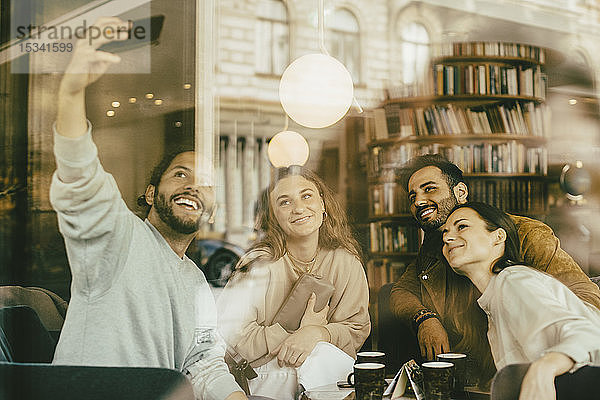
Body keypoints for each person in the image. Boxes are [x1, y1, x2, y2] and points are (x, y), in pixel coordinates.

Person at [50, 18, 246, 400]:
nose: (193, 185)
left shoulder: (195, 281)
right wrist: (70, 94)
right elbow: (81, 178)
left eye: (205, 182)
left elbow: (203, 361)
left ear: (213, 208)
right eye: (180, 174)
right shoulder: (117, 237)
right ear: (151, 192)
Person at [389, 154, 600, 386]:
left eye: (429, 189)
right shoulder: (435, 246)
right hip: (487, 378)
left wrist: (546, 368)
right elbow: (400, 291)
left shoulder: (517, 262)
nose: (418, 201)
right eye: (413, 196)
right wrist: (425, 318)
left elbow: (584, 308)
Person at [217, 166, 371, 399]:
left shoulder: (346, 262)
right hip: (263, 375)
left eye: (306, 195)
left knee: (321, 355)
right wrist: (294, 331)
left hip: (323, 371)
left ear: (323, 205)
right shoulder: (258, 264)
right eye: (284, 202)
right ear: (273, 217)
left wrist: (317, 333)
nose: (299, 208)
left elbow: (357, 329)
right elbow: (235, 339)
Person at [442, 202, 600, 400]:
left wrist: (543, 369)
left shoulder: (512, 281)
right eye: (445, 233)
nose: (447, 238)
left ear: (498, 237)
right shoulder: (495, 297)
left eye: (462, 226)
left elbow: (590, 334)